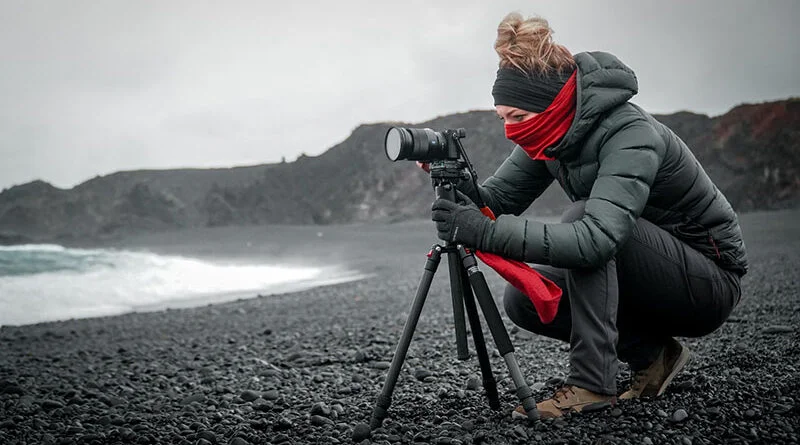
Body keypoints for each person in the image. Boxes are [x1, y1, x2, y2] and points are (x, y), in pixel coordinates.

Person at [426, 12, 747, 419]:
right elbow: (497, 200)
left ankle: (592, 385)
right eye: (502, 118)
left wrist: (484, 232)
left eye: (518, 118)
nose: (511, 130)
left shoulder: (629, 132)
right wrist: (459, 184)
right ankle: (655, 354)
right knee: (528, 296)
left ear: (553, 103)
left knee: (584, 220)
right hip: (641, 270)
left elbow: (597, 238)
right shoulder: (547, 134)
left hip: (707, 284)